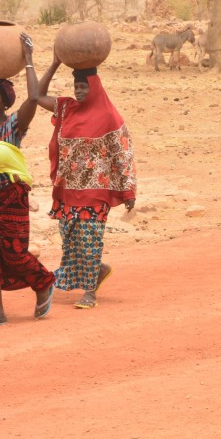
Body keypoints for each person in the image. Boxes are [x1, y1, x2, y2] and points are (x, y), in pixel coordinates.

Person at [38, 55, 136, 309]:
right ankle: (98, 269)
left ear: (95, 87)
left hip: (96, 192)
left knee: (90, 241)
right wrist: (55, 64)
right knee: (71, 242)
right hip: (67, 190)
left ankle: (90, 292)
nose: (78, 91)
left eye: (83, 87)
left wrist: (129, 191)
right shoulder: (66, 108)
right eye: (76, 87)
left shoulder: (108, 115)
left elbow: (123, 152)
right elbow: (37, 96)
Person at [0, 33, 56, 324]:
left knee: (15, 254)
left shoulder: (13, 125)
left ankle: (43, 283)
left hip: (10, 195)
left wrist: (29, 60)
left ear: (5, 101)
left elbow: (33, 97)